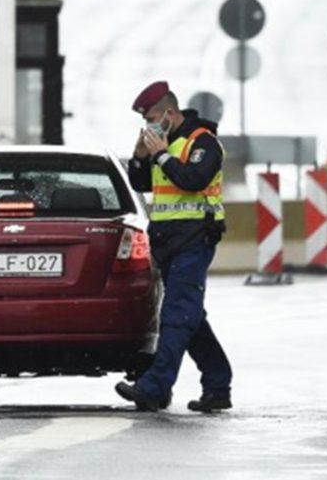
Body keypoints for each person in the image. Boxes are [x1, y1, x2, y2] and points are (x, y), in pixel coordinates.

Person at [116, 81, 233, 413]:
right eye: (145, 120)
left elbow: (193, 179)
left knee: (177, 315)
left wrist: (162, 155)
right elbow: (142, 183)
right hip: (168, 242)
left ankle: (155, 386)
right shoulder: (161, 145)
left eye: (153, 117)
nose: (149, 125)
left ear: (170, 113)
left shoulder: (203, 142)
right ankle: (218, 382)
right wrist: (140, 158)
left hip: (196, 239)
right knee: (190, 317)